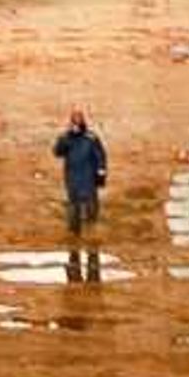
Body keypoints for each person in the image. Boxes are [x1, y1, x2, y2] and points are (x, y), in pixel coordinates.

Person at [54, 111, 108, 277]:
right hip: (73, 179)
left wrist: (101, 174)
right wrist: (64, 138)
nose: (76, 126)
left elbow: (100, 157)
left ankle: (91, 231)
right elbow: (57, 152)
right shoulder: (66, 138)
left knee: (91, 207)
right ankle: (74, 233)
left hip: (88, 178)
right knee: (74, 208)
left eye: (78, 123)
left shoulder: (91, 139)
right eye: (73, 124)